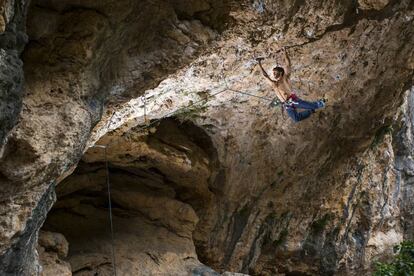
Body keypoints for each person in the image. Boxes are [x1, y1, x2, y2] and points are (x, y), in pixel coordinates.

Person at [257, 48, 325, 122]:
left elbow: (288, 64)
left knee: (314, 105)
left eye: (275, 73)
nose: (273, 74)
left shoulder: (284, 79)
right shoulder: (274, 84)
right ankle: (311, 111)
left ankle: (320, 103)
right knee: (296, 119)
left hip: (292, 99)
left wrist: (285, 52)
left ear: (281, 73)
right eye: (273, 73)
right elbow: (265, 76)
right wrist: (259, 64)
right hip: (286, 104)